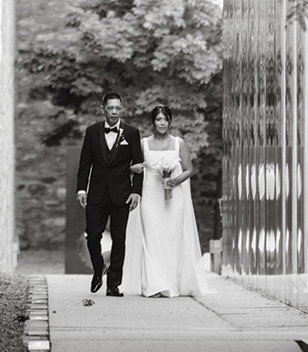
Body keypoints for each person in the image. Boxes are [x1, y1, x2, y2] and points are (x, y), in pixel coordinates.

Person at [122, 106, 210, 297]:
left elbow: (189, 169)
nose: (162, 123)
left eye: (165, 119)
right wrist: (131, 170)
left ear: (170, 121)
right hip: (150, 195)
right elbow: (133, 167)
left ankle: (171, 282)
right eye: (158, 119)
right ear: (153, 122)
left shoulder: (179, 144)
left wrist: (174, 181)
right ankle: (153, 285)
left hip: (174, 198)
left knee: (171, 238)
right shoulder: (143, 144)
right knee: (151, 236)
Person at [75, 92, 146, 296]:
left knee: (119, 238)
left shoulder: (131, 133)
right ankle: (99, 269)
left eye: (117, 108)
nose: (114, 112)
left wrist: (136, 192)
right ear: (103, 109)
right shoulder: (92, 132)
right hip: (96, 194)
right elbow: (85, 164)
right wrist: (81, 189)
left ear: (121, 109)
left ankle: (114, 284)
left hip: (121, 194)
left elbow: (139, 165)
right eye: (110, 108)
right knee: (93, 235)